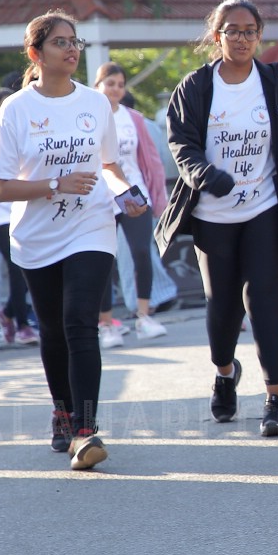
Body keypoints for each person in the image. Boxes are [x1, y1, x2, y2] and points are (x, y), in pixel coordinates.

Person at [0, 9, 146, 470]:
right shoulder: (17, 109)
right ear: (36, 54)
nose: (72, 49)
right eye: (61, 42)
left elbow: (109, 167)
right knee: (53, 330)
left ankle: (85, 429)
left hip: (90, 227)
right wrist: (55, 186)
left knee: (80, 321)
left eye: (75, 41)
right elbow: (0, 187)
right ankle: (61, 410)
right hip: (36, 236)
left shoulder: (96, 104)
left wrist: (125, 194)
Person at [156, 0, 278, 437]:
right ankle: (225, 373)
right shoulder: (196, 87)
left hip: (265, 210)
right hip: (212, 214)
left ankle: (275, 399)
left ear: (259, 35)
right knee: (221, 307)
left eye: (249, 30)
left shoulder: (277, 85)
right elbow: (182, 143)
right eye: (232, 30)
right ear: (216, 36)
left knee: (264, 302)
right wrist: (206, 175)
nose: (241, 38)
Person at [93, 63, 169, 347]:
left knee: (141, 251)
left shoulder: (133, 118)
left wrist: (158, 198)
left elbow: (150, 160)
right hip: (100, 197)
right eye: (110, 83)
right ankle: (106, 323)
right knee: (104, 259)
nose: (115, 89)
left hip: (133, 192)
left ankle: (144, 316)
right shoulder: (89, 118)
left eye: (120, 84)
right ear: (98, 85)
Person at [0, 87, 38, 347]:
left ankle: (7, 313)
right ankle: (23, 324)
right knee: (16, 263)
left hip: (22, 206)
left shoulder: (28, 131)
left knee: (27, 264)